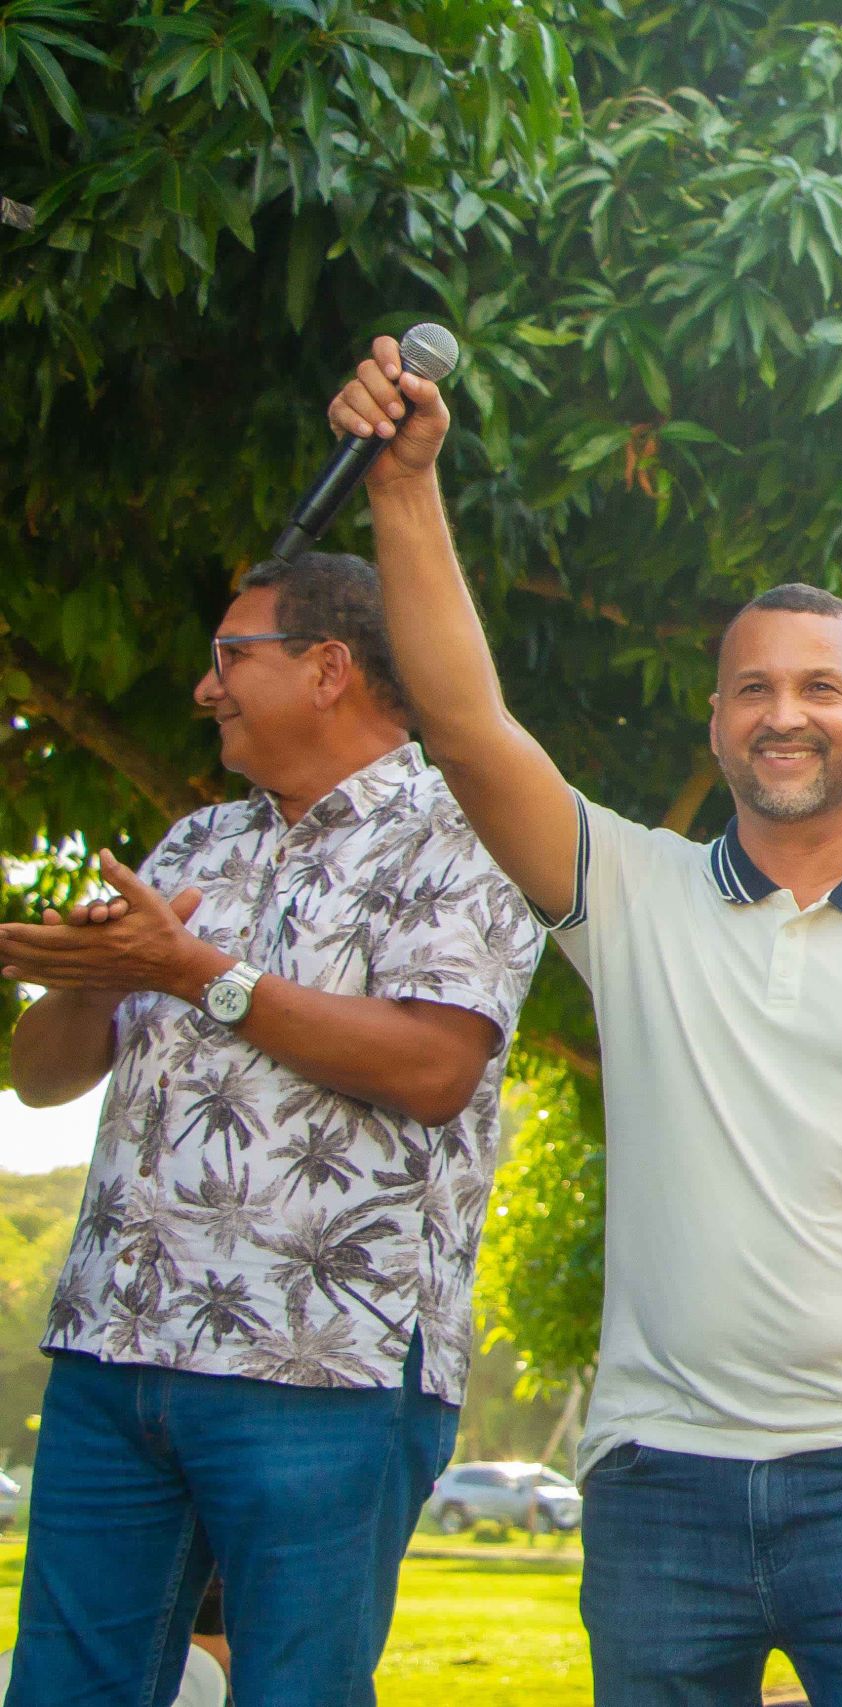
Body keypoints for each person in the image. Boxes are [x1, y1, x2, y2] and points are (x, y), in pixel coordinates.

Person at [323, 335, 842, 1704]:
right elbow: (462, 721)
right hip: (659, 1482)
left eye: (819, 686)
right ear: (717, 720)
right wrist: (405, 483)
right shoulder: (630, 888)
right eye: (753, 687)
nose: (784, 713)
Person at [0, 552, 542, 1704]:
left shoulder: (464, 836)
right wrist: (99, 976)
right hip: (114, 1348)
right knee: (63, 1689)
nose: (206, 690)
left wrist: (197, 970)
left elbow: (436, 1066)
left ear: (328, 668)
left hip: (320, 1370)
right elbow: (39, 1080)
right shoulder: (194, 847)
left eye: (229, 659)